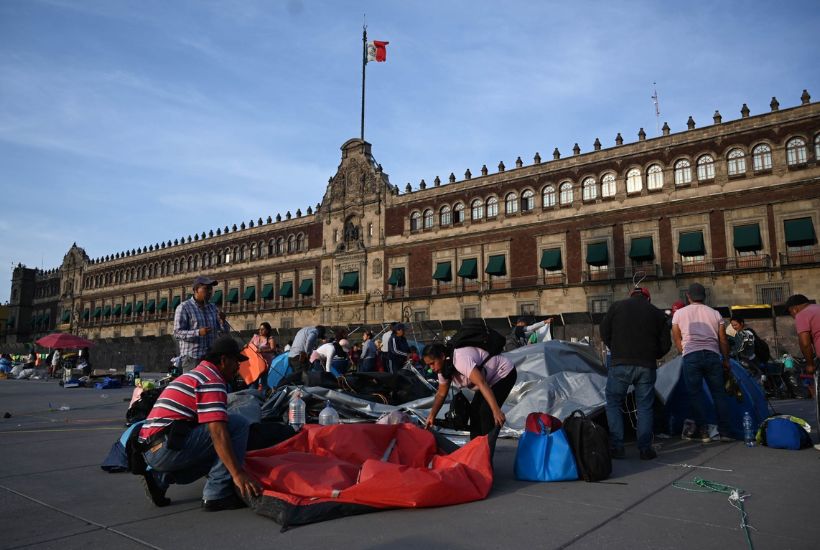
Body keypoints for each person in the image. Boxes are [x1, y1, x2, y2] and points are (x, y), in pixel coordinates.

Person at [138, 336, 261, 511]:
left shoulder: (194, 374)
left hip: (151, 449)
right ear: (223, 360)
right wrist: (238, 473)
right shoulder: (212, 380)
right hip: (164, 448)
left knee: (219, 452)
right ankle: (217, 495)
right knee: (236, 425)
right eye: (236, 362)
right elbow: (218, 433)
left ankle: (160, 478)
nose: (238, 368)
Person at [600, 287, 671, 460]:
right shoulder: (657, 313)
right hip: (646, 366)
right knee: (644, 406)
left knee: (614, 403)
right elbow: (666, 344)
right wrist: (654, 355)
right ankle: (645, 449)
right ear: (648, 299)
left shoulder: (617, 306)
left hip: (620, 364)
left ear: (631, 295)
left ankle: (617, 447)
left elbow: (603, 331)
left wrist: (615, 348)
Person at [671, 282, 734, 443]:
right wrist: (726, 360)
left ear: (688, 296)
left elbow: (677, 337)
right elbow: (723, 339)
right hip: (713, 355)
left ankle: (704, 432)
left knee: (695, 394)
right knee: (719, 394)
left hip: (691, 356)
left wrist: (683, 352)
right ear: (704, 297)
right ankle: (725, 432)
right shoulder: (715, 314)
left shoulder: (679, 314)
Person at [422, 342, 517, 439]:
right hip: (487, 381)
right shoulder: (443, 369)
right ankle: (475, 447)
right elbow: (441, 394)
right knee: (474, 411)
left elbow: (481, 383)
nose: (432, 368)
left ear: (442, 356)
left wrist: (496, 410)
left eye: (432, 363)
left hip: (503, 373)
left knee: (486, 412)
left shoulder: (459, 359)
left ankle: (486, 449)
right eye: (429, 365)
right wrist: (432, 415)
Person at [173, 276, 229, 372]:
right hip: (193, 358)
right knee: (193, 385)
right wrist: (198, 332)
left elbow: (225, 331)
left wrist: (223, 322)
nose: (210, 292)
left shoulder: (213, 308)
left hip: (210, 357)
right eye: (206, 288)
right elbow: (177, 333)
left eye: (211, 289)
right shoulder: (184, 307)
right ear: (195, 290)